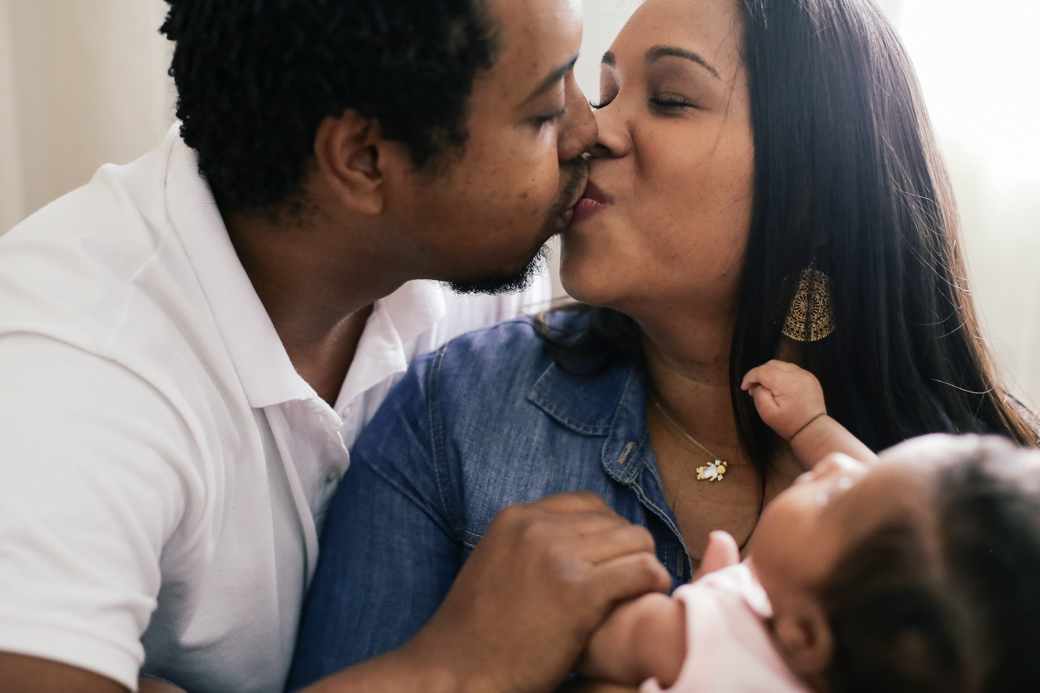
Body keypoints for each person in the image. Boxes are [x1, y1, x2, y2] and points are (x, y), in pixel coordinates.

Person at [289, 0, 1040, 687]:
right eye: (606, 91)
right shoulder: (451, 411)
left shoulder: (993, 494)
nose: (591, 131)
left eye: (672, 99)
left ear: (811, 189)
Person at [0, 0, 678, 692]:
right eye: (542, 113)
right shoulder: (70, 374)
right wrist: (455, 668)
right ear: (363, 161)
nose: (587, 128)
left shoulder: (468, 263)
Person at [579, 432, 1040, 692]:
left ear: (804, 635)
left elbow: (596, 642)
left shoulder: (710, 635)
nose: (837, 461)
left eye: (837, 496)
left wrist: (694, 607)